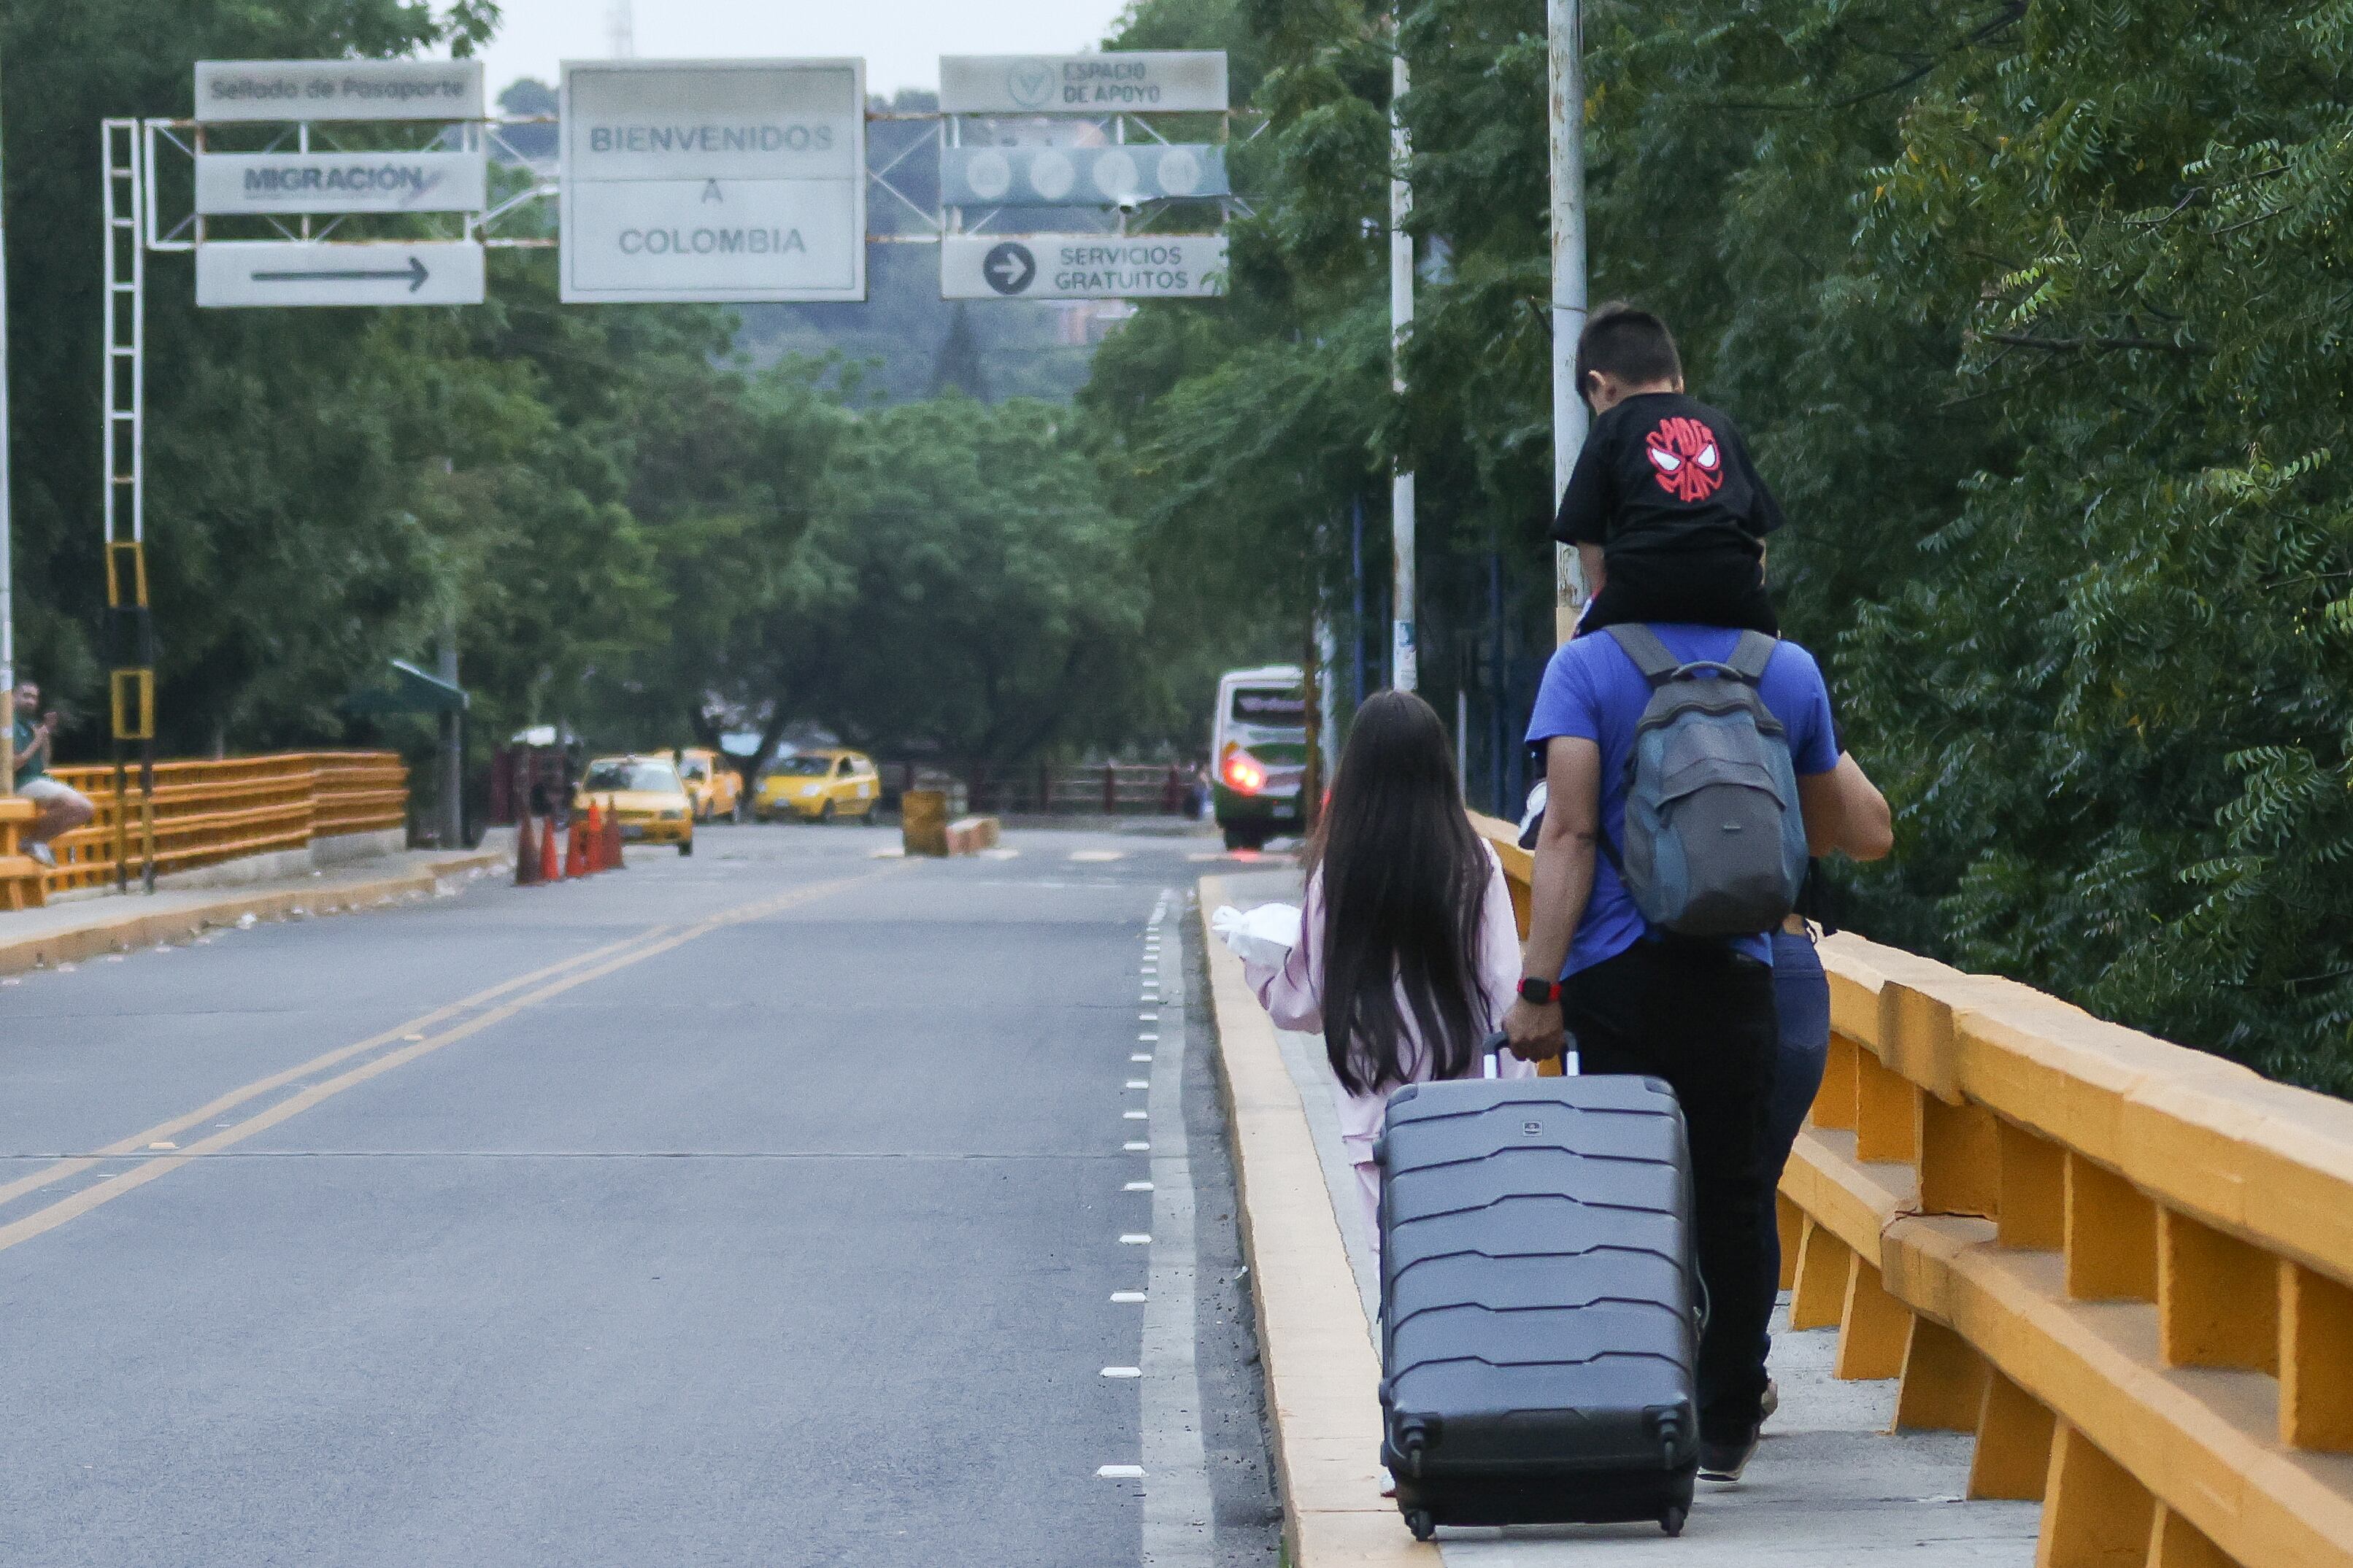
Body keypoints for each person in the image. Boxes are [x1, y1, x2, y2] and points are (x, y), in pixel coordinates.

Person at [1502, 626, 1891, 1483]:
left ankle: (1650, 1384)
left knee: (1635, 1196)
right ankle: (1728, 1399)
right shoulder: (1779, 674)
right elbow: (1862, 831)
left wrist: (1539, 986)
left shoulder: (1590, 673)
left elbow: (1559, 837)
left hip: (1621, 976)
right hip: (1774, 974)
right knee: (1736, 1189)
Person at [1242, 690, 1533, 1246]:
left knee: (1400, 1279)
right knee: (1466, 1277)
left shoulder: (1340, 870)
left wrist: (1258, 970)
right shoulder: (1475, 862)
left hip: (1375, 1119)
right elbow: (1504, 988)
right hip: (1464, 1115)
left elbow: (1304, 1000)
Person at [1552, 304, 1785, 638]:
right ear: (1678, 381)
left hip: (1641, 584)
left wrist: (1602, 593)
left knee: (1577, 652)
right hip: (1731, 584)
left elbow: (1584, 531)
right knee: (1772, 647)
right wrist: (1754, 597)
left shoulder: (1610, 428)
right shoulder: (1719, 424)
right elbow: (1758, 531)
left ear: (1602, 386)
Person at [12, 681, 93, 867]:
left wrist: (45, 734)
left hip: (38, 778)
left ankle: (38, 840)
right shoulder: (9, 725)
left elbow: (45, 762)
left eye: (34, 697)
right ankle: (33, 841)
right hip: (21, 781)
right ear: (14, 697)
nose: (31, 701)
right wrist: (37, 741)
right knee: (74, 805)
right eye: (26, 696)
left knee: (86, 809)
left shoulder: (31, 725)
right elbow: (15, 764)